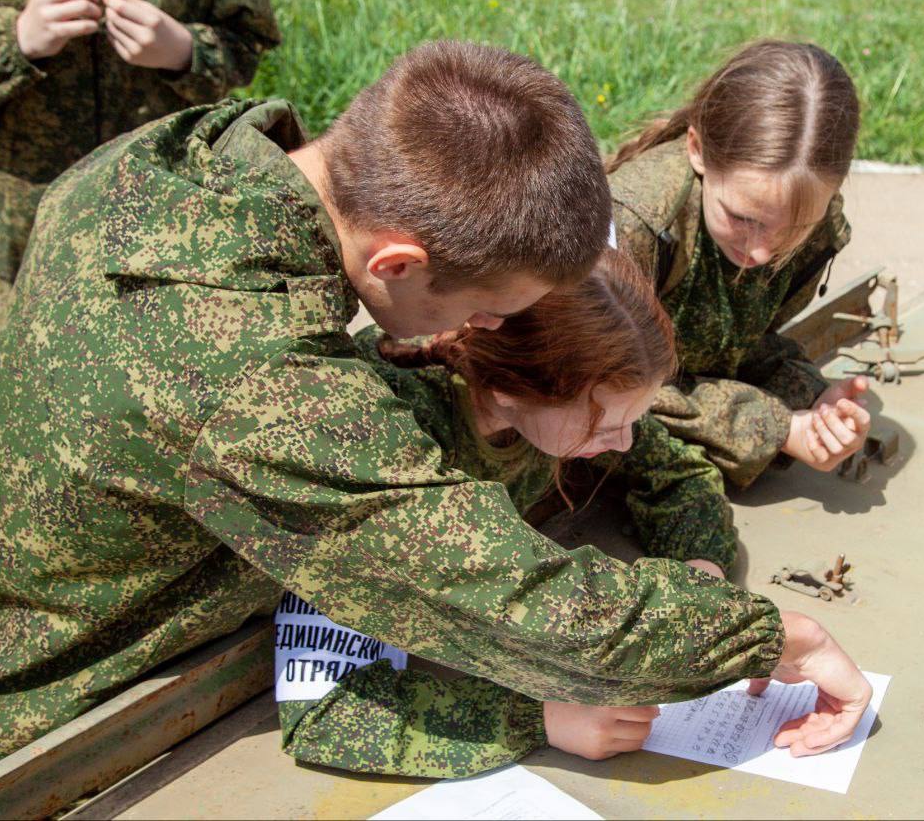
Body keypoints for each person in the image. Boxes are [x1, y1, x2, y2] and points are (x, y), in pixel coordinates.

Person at [0, 40, 870, 766]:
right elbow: (513, 594)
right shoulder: (253, 378)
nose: (480, 334)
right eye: (486, 310)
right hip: (42, 688)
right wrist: (773, 639)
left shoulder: (178, 155)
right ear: (397, 264)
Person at [276, 250, 739, 776]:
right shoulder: (383, 441)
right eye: (606, 426)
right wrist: (539, 718)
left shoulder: (566, 391)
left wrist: (703, 568)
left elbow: (679, 473)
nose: (625, 441)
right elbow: (326, 707)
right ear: (510, 390)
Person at [607, 40, 872, 490]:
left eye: (794, 228)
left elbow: (735, 342)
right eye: (742, 219)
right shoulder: (632, 228)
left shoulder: (818, 223)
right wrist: (777, 428)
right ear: (697, 150)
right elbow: (597, 388)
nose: (763, 252)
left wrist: (812, 401)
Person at [0, 0, 280, 306]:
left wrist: (186, 50)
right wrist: (14, 40)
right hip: (30, 219)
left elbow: (247, 42)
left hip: (168, 203)